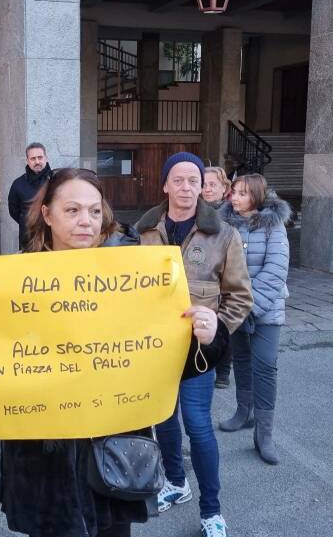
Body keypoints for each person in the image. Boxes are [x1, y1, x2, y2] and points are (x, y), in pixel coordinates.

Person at [0, 167, 213, 537]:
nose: (85, 222)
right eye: (72, 210)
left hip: (112, 462)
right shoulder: (11, 285)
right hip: (43, 470)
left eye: (93, 211)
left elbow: (166, 361)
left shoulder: (133, 278)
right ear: (47, 214)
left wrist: (206, 336)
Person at [135, 152, 253, 537]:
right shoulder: (143, 232)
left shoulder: (224, 234)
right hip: (154, 349)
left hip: (199, 352)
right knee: (163, 419)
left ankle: (212, 510)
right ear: (165, 184)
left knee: (198, 426)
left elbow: (239, 297)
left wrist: (217, 327)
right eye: (179, 179)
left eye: (194, 180)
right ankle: (176, 483)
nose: (186, 187)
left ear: (203, 187)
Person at [216, 174, 290, 466]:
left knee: (265, 366)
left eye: (243, 193)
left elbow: (275, 270)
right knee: (242, 360)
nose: (235, 198)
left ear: (257, 196)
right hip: (234, 308)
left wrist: (248, 306)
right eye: (234, 192)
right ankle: (242, 411)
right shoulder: (223, 225)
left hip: (265, 310)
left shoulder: (274, 225)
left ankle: (264, 433)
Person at [203, 166, 233, 389]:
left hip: (225, 277)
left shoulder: (233, 214)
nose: (207, 189)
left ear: (224, 188)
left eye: (213, 184)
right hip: (202, 281)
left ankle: (223, 371)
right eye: (203, 184)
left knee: (223, 326)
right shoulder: (193, 211)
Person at [8, 142, 53, 249]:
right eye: (33, 158)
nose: (37, 161)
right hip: (28, 239)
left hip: (53, 238)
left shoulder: (56, 181)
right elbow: (14, 211)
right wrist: (28, 222)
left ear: (46, 158)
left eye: (40, 157)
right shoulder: (18, 184)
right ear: (27, 161)